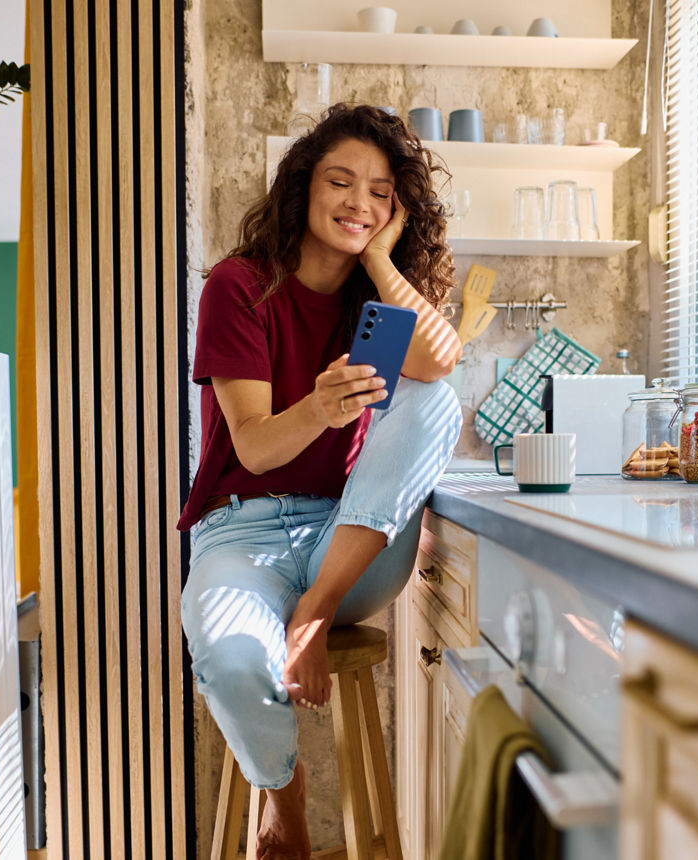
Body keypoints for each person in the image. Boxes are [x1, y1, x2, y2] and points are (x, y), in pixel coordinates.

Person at [178, 103, 464, 859]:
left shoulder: (375, 300)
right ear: (303, 187)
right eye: (340, 182)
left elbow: (439, 367)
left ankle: (314, 610)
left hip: (349, 538)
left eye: (380, 193)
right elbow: (259, 447)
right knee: (234, 661)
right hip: (242, 532)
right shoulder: (238, 288)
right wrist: (318, 408)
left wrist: (379, 261)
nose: (358, 204)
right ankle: (284, 790)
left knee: (434, 397)